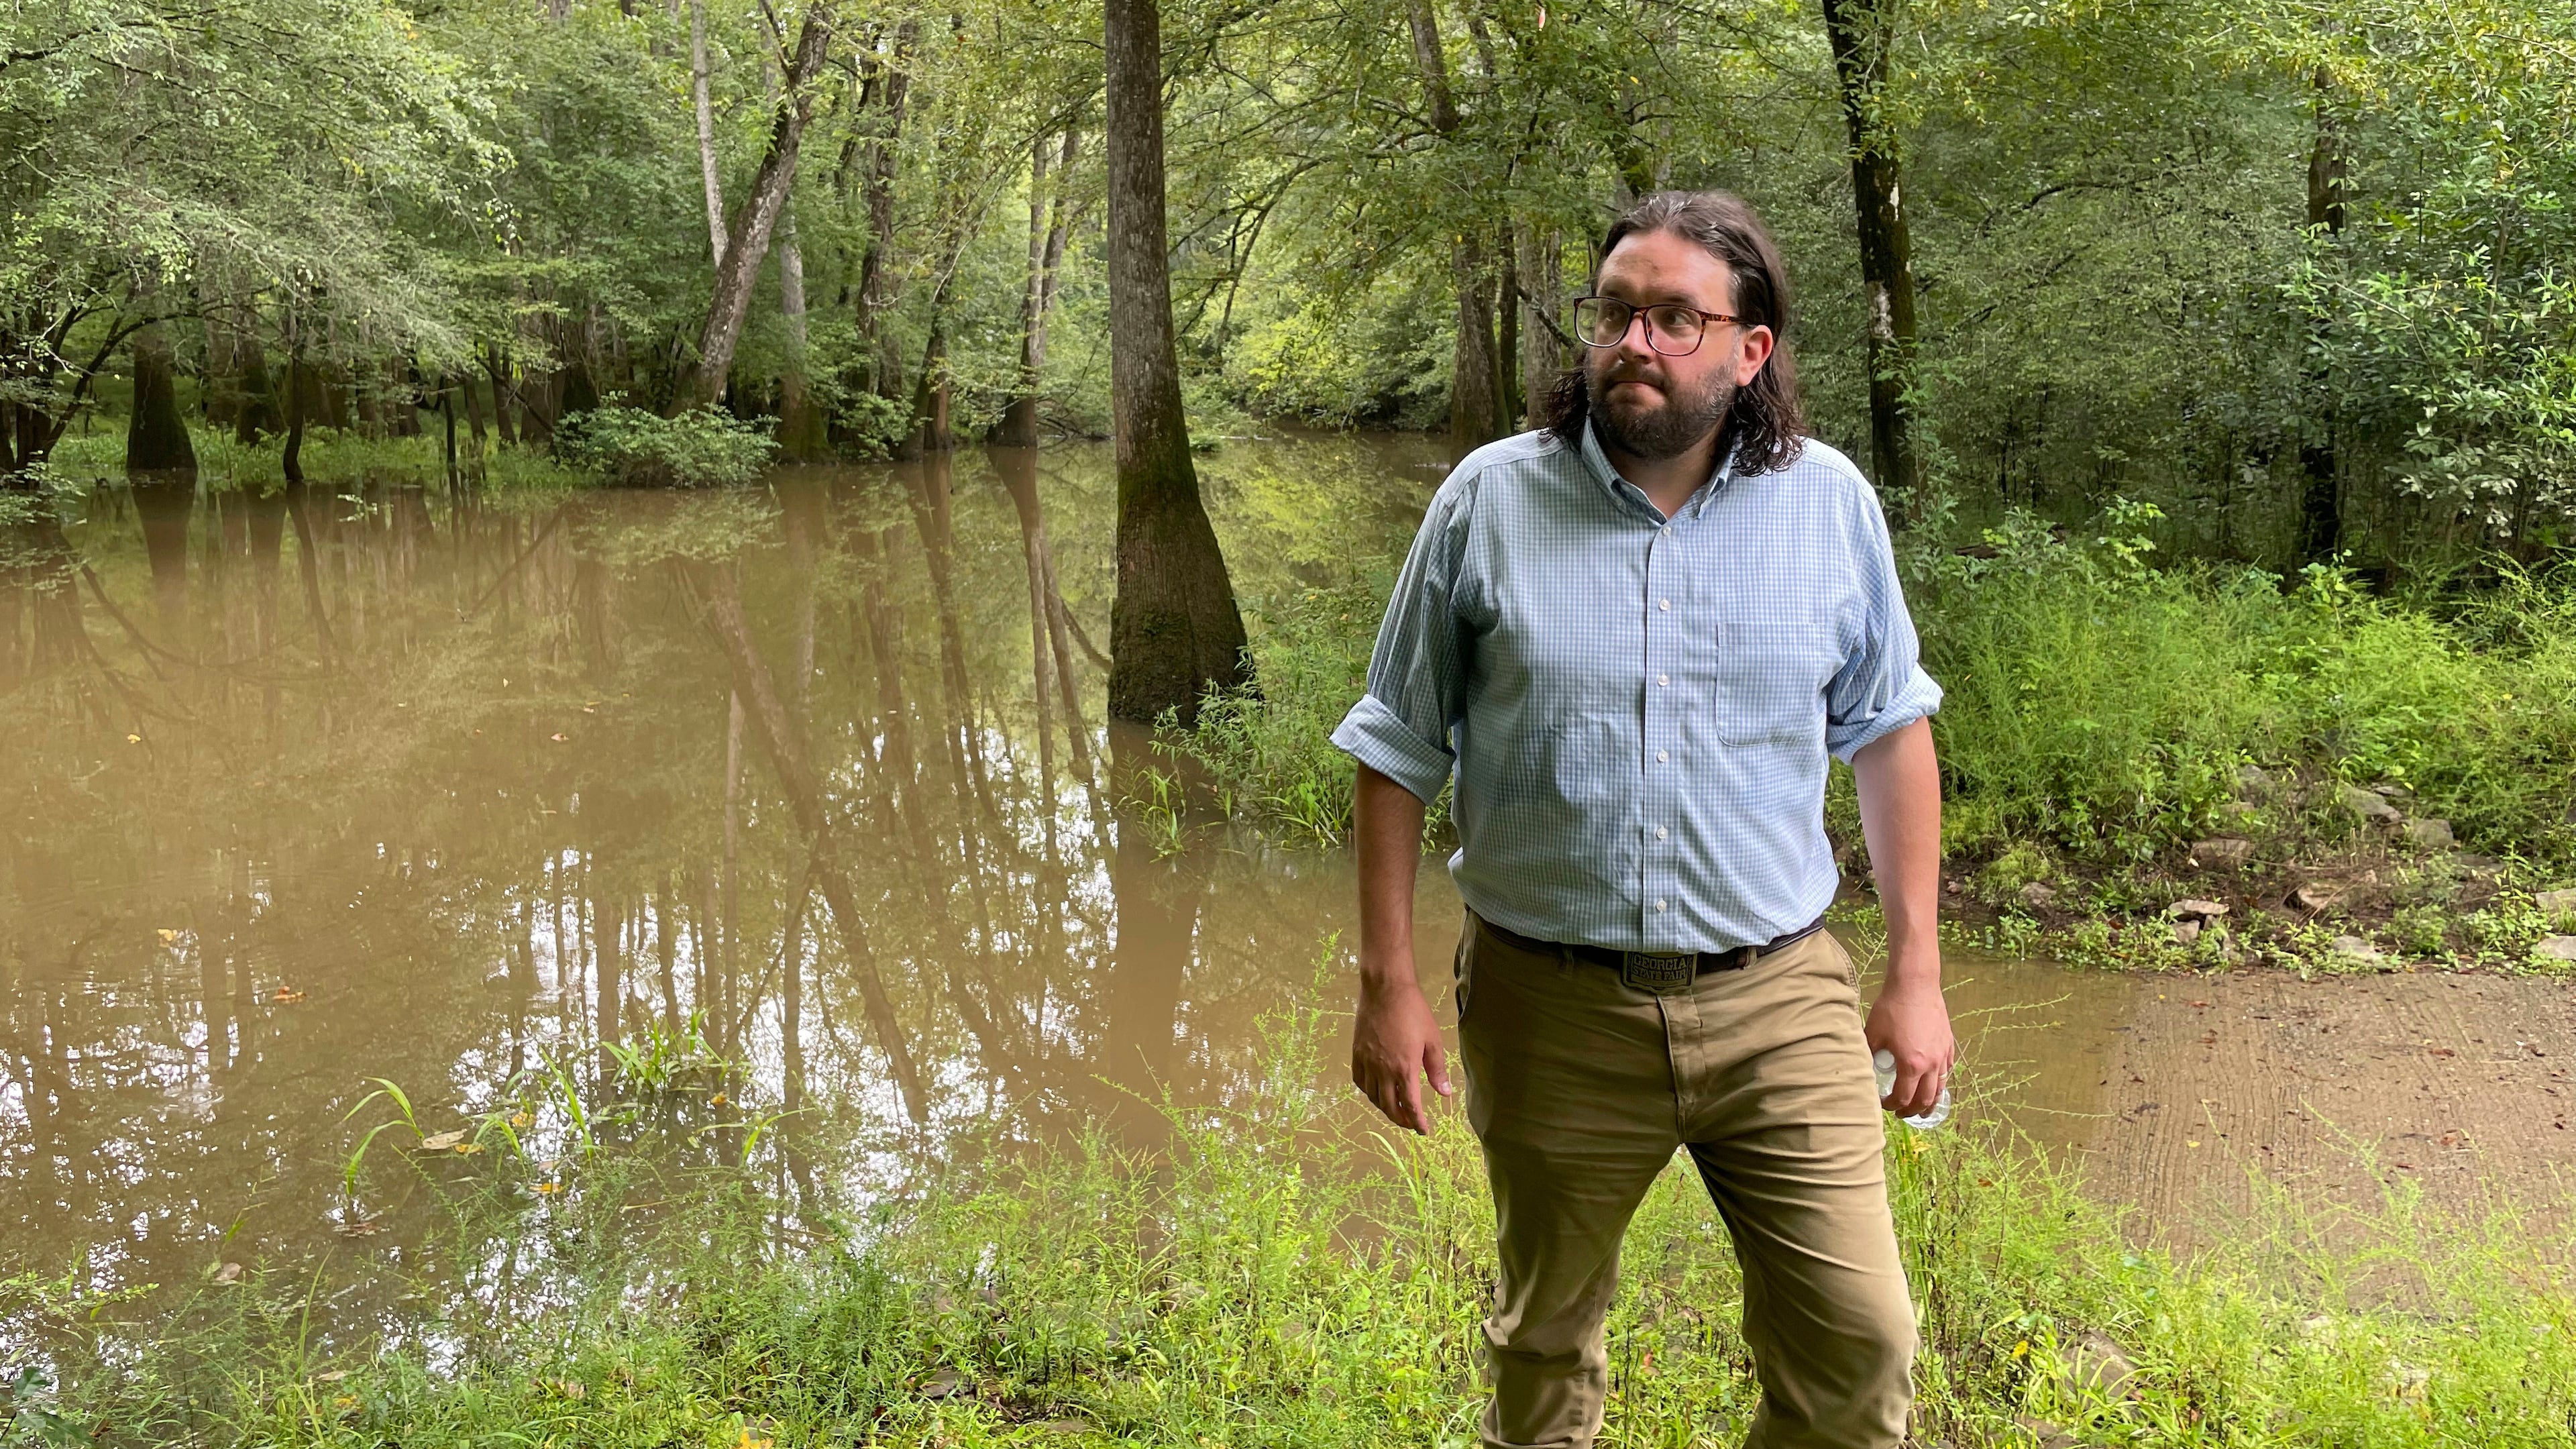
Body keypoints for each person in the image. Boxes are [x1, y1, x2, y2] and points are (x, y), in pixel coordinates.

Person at [1331, 190, 1952, 1449]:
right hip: (1550, 1002)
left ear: (1749, 349)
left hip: (1780, 998)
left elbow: (1889, 733)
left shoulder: (1830, 506)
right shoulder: (1487, 503)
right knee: (1545, 1342)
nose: (1638, 343)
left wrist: (1918, 975)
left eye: (1678, 318)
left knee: (1863, 1339)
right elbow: (1397, 749)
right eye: (1617, 312)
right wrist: (1385, 984)